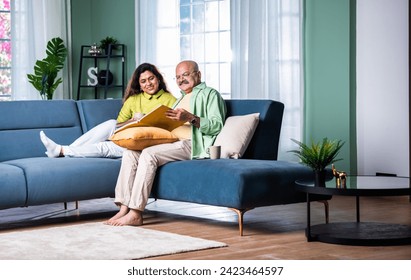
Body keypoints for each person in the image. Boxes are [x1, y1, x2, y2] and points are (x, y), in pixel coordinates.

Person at [105, 60, 227, 226]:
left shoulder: (210, 94)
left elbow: (217, 126)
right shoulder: (179, 100)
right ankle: (123, 208)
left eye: (185, 75)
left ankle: (136, 213)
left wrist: (190, 118)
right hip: (171, 141)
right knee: (130, 153)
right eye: (177, 77)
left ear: (198, 75)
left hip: (191, 143)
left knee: (149, 154)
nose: (181, 80)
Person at [39, 63, 176, 158]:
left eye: (151, 78)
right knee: (111, 123)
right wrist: (132, 121)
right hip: (126, 137)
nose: (148, 84)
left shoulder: (170, 100)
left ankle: (61, 150)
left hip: (145, 143)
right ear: (139, 85)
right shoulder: (133, 100)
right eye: (143, 81)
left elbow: (172, 127)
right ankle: (62, 150)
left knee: (103, 147)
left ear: (158, 78)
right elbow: (118, 126)